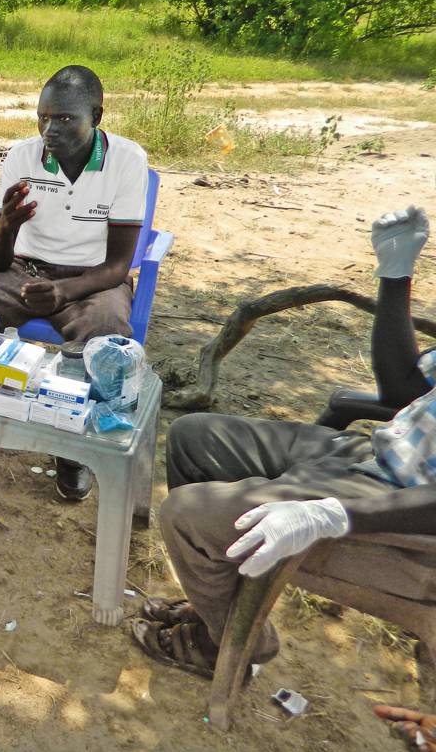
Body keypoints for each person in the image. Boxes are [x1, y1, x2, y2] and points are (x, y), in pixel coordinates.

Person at [133, 207, 436, 677]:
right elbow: (404, 392)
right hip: (375, 456)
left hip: (406, 509)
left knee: (187, 516)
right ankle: (221, 609)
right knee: (194, 437)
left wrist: (333, 513)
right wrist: (395, 276)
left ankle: (229, 646)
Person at [0, 64, 149, 503]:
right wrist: (7, 227)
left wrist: (65, 292)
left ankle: (72, 449)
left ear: (98, 116)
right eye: (43, 117)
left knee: (106, 330)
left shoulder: (127, 161)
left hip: (94, 281)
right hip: (23, 273)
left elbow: (120, 263)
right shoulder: (21, 158)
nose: (50, 129)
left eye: (66, 118)